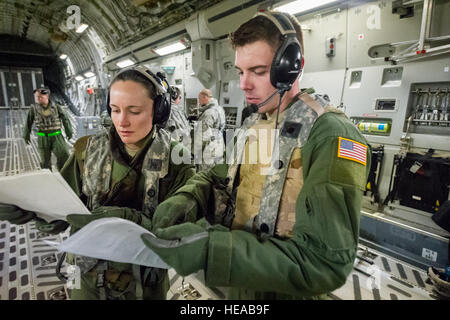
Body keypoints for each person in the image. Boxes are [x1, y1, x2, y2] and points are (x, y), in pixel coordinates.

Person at [141, 11, 372, 300]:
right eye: (240, 71)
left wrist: (213, 250)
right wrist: (187, 199)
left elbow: (326, 263)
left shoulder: (330, 135)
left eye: (258, 71)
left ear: (291, 68)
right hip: (241, 287)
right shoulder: (253, 124)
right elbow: (216, 178)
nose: (243, 84)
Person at [1, 65, 196, 300]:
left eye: (134, 111)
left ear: (158, 111)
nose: (122, 121)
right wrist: (26, 209)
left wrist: (126, 219)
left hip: (144, 282)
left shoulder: (176, 161)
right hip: (87, 276)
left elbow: (183, 236)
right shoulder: (88, 151)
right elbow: (62, 212)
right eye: (115, 110)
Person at [23, 86, 73, 170]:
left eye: (40, 97)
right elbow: (28, 122)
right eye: (36, 97)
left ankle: (63, 174)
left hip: (57, 137)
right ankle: (49, 177)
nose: (37, 99)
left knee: (64, 155)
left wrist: (69, 131)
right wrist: (26, 135)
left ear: (47, 96)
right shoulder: (33, 109)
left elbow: (65, 119)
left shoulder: (56, 107)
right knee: (45, 162)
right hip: (42, 138)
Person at [194, 88, 226, 171]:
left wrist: (195, 152)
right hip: (219, 147)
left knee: (204, 176)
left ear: (205, 97)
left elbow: (201, 136)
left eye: (199, 99)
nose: (199, 101)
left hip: (208, 151)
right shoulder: (220, 109)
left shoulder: (208, 113)